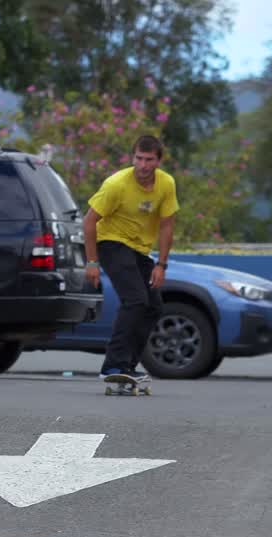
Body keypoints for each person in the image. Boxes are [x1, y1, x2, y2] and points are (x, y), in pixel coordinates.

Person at [82, 135, 179, 381]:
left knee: (154, 306)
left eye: (149, 160)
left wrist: (161, 264)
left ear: (159, 161)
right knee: (135, 300)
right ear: (132, 157)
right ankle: (112, 366)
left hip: (139, 249)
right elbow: (89, 221)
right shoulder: (116, 184)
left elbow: (167, 225)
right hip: (110, 242)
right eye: (139, 158)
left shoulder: (166, 184)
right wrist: (92, 262)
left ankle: (127, 366)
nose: (143, 165)